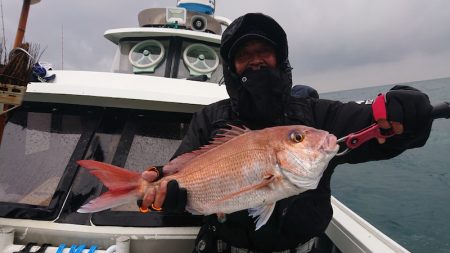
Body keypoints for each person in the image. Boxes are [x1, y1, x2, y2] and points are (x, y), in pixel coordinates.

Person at [140, 13, 433, 253]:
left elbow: (376, 127)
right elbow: (175, 173)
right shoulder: (209, 118)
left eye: (264, 51)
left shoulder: (316, 115)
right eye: (244, 54)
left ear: (280, 59)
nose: (256, 61)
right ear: (232, 67)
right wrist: (166, 194)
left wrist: (405, 109)